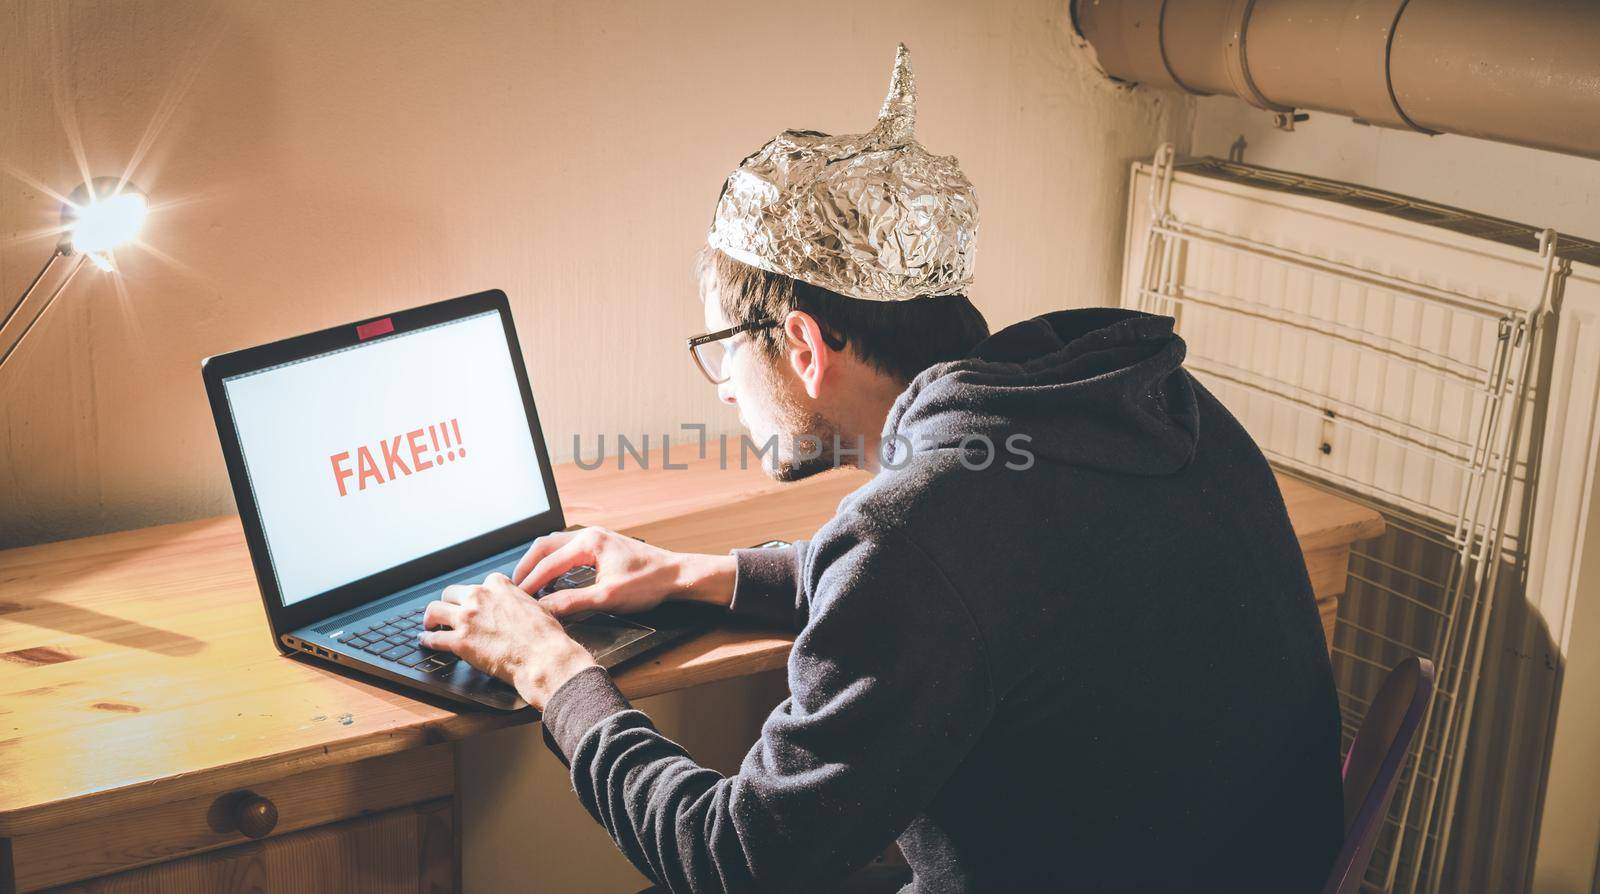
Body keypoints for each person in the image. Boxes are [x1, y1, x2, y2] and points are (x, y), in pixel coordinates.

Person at [419, 44, 1344, 893]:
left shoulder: (921, 535)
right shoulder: (1135, 405)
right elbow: (979, 591)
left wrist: (555, 674)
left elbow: (731, 858)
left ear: (804, 346)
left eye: (722, 350)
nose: (725, 390)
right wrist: (700, 574)